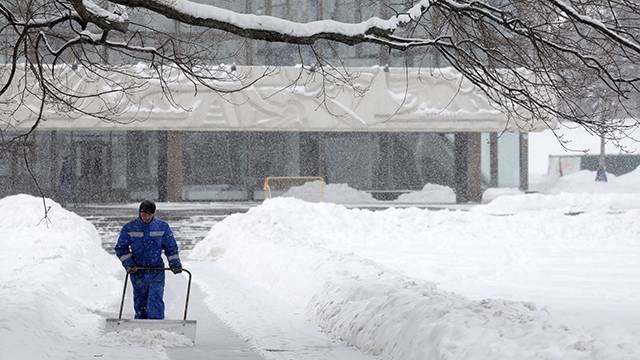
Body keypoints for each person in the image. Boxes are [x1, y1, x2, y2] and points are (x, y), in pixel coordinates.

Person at [114, 200, 182, 320]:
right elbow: (121, 248)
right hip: (138, 271)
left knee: (155, 298)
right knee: (141, 301)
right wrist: (129, 264)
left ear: (153, 214)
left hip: (156, 270)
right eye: (143, 213)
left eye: (149, 214)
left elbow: (170, 247)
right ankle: (141, 326)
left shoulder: (162, 227)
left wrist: (175, 263)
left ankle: (157, 326)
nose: (146, 216)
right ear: (139, 213)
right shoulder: (130, 227)